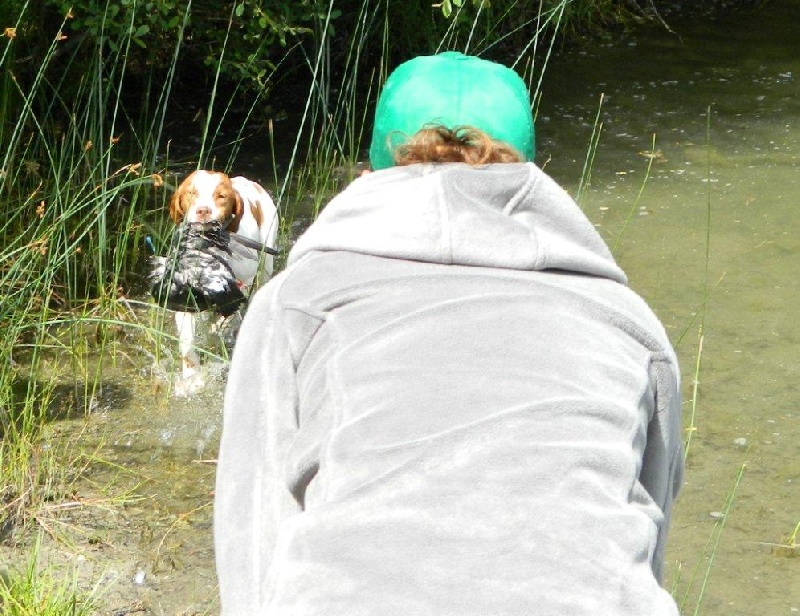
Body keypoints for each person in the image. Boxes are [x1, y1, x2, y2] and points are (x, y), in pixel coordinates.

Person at [214, 51, 684, 615]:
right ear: (532, 175)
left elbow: (253, 527)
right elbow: (647, 525)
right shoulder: (628, 322)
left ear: (371, 173)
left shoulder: (296, 301)